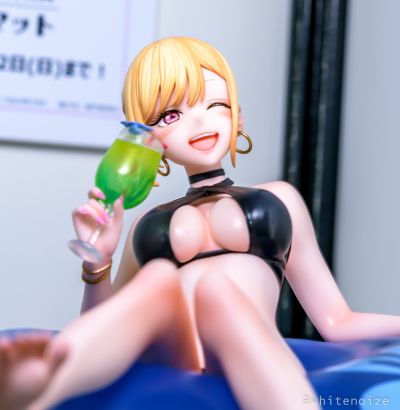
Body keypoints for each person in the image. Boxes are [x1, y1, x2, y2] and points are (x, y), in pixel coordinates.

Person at [1, 37, 400, 410]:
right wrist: (97, 262)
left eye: (214, 104)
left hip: (240, 344)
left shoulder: (279, 199)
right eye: (172, 114)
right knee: (157, 278)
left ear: (238, 116)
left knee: (216, 291)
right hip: (176, 352)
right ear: (150, 138)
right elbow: (113, 324)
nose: (198, 123)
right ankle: (49, 378)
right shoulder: (147, 223)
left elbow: (337, 321)